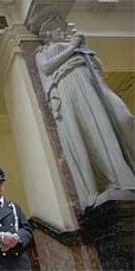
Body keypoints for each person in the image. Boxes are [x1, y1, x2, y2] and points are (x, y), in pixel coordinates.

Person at [35, 15, 135, 208]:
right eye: (57, 29)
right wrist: (73, 47)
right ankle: (108, 180)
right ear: (48, 34)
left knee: (122, 120)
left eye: (63, 28)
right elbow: (46, 67)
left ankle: (123, 175)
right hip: (69, 86)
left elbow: (99, 67)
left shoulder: (78, 46)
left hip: (90, 84)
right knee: (91, 133)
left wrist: (84, 48)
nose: (62, 32)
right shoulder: (44, 51)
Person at [0, 167, 32, 270]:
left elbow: (27, 230)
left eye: (1, 183)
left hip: (18, 261)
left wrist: (17, 238)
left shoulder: (13, 207)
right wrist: (1, 236)